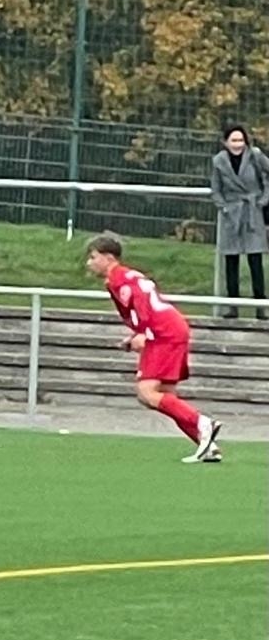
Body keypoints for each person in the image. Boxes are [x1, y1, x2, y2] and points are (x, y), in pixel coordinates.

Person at [85, 233, 220, 463]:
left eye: (93, 257)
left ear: (108, 258)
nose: (89, 263)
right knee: (166, 395)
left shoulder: (119, 279)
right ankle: (206, 445)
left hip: (163, 332)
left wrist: (144, 333)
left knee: (146, 392)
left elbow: (141, 304)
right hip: (171, 327)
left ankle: (202, 423)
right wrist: (136, 335)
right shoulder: (126, 276)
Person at [209, 125, 268, 320]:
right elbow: (216, 188)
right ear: (225, 142)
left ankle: (261, 306)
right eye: (233, 140)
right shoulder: (219, 161)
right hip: (231, 214)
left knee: (255, 259)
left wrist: (263, 200)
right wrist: (223, 206)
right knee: (231, 260)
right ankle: (232, 306)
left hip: (252, 212)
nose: (237, 144)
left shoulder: (255, 156)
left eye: (241, 140)